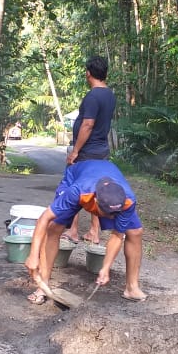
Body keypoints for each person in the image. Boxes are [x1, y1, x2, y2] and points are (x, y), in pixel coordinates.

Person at [25, 160, 147, 305]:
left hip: (105, 177)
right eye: (107, 213)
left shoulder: (127, 200)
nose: (111, 217)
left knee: (135, 232)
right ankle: (43, 286)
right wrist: (33, 256)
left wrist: (105, 267)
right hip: (76, 178)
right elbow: (44, 218)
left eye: (116, 214)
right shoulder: (77, 191)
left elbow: (117, 235)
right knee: (54, 227)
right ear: (95, 202)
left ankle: (132, 288)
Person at [63, 55, 116, 245]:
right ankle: (94, 232)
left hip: (87, 150)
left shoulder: (93, 96)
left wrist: (75, 151)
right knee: (96, 189)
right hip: (101, 149)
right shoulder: (110, 95)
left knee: (73, 186)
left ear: (88, 73)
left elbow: (88, 124)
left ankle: (73, 230)